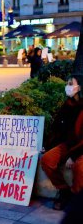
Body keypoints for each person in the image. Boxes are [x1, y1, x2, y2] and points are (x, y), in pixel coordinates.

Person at [41, 76, 83, 210]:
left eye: (71, 84)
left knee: (80, 168)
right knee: (47, 160)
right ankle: (64, 191)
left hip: (80, 148)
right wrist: (47, 145)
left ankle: (76, 197)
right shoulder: (67, 105)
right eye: (68, 83)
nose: (68, 86)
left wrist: (74, 155)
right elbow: (57, 129)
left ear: (80, 88)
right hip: (67, 145)